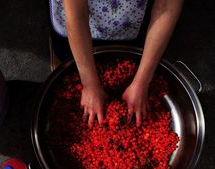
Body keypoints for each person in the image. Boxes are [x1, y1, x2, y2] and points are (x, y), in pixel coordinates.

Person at [49, 0, 184, 127]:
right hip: (73, 19)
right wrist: (89, 84)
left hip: (130, 18)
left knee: (130, 52)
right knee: (65, 57)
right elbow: (77, 14)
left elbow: (166, 7)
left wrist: (142, 82)